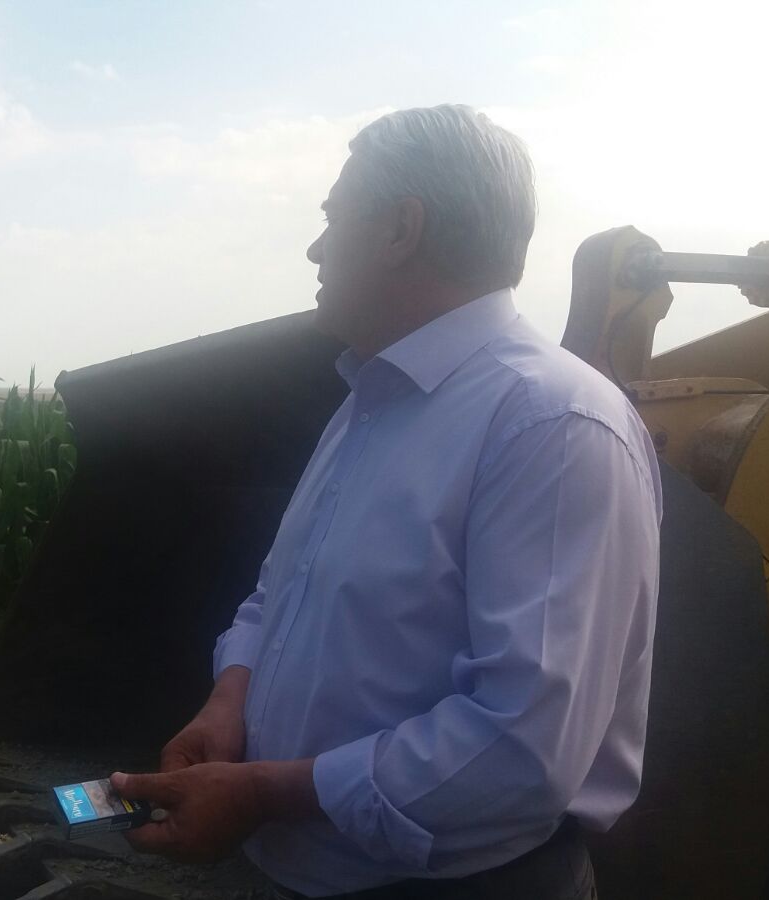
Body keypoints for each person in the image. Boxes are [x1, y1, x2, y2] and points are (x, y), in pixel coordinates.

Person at [111, 105, 663, 900]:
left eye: (332, 217)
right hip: (301, 869)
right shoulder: (370, 401)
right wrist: (231, 698)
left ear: (401, 229)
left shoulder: (551, 424)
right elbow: (283, 591)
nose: (315, 248)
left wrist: (262, 793)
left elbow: (522, 748)